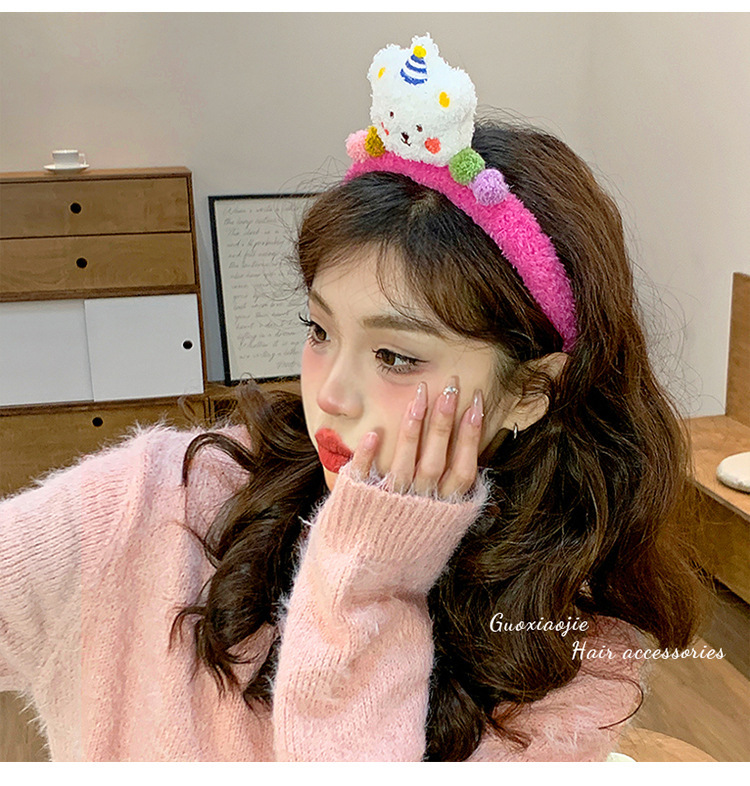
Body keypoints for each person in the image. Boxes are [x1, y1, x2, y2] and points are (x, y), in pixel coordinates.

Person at [0, 34, 705, 762]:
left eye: (395, 357)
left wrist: (369, 582)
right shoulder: (160, 501)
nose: (330, 396)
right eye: (319, 330)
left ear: (529, 391)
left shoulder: (569, 661)